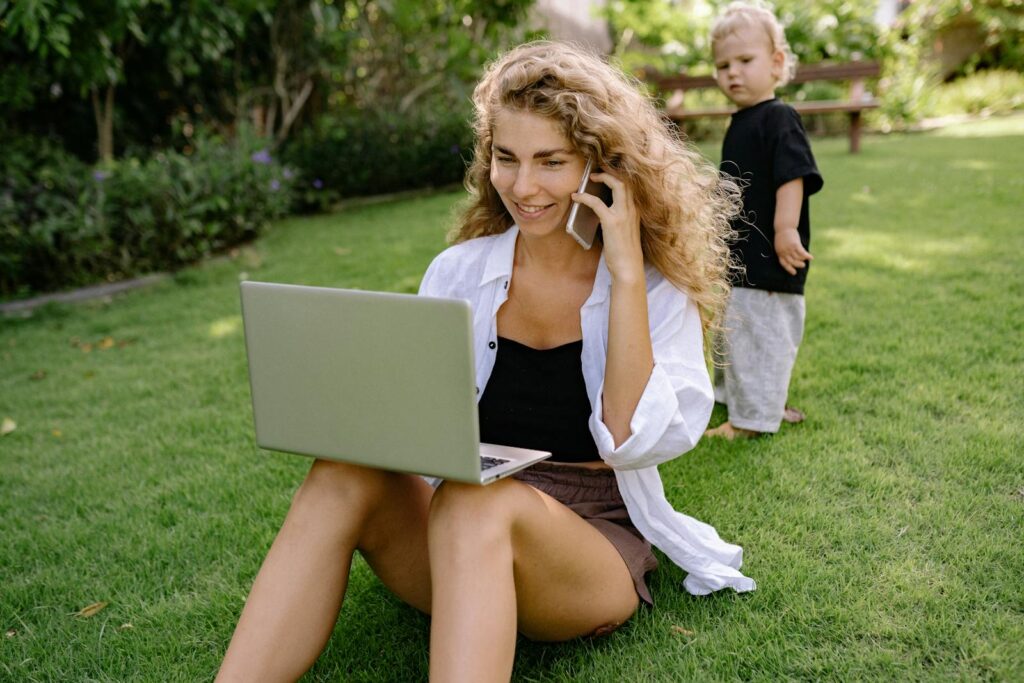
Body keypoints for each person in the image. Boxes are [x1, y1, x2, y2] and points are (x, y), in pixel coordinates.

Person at [216, 41, 754, 683]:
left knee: (480, 503)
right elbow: (418, 422)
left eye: (551, 162)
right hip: (456, 531)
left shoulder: (655, 292)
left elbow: (633, 440)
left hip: (586, 547)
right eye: (507, 158)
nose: (523, 187)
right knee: (344, 470)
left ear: (600, 168)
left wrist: (627, 273)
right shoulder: (461, 272)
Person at [704, 2, 824, 440]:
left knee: (762, 336)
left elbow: (791, 174)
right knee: (735, 335)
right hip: (741, 255)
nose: (732, 72)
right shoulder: (741, 121)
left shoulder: (780, 117)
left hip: (770, 256)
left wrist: (785, 229)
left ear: (776, 64)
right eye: (723, 65)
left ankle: (751, 421)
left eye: (745, 61)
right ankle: (748, 399)